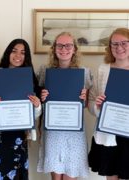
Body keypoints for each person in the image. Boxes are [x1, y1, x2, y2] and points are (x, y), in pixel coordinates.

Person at [0, 38, 42, 180]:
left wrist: (37, 106)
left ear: (26, 56)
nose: (18, 56)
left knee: (16, 176)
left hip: (18, 136)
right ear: (8, 52)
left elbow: (34, 114)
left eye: (22, 52)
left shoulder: (29, 77)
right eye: (14, 51)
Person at [36, 32, 92, 180]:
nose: (64, 49)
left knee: (70, 175)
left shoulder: (84, 73)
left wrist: (85, 99)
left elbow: (87, 104)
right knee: (55, 177)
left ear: (74, 49)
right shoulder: (45, 71)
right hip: (52, 131)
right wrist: (42, 97)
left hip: (74, 133)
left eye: (68, 45)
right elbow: (37, 101)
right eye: (60, 45)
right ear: (54, 48)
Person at [88, 27, 129, 180]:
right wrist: (97, 106)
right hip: (108, 134)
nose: (119, 48)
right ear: (110, 47)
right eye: (115, 44)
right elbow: (91, 102)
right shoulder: (103, 70)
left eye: (124, 43)